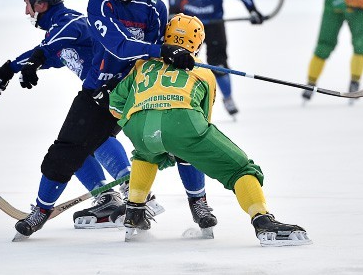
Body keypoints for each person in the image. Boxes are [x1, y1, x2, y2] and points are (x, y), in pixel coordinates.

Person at [12, 0, 216, 239]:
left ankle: (198, 203)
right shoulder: (99, 3)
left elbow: (152, 57)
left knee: (183, 135)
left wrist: (176, 54)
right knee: (66, 150)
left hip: (138, 91)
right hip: (98, 90)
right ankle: (41, 211)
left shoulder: (155, 7)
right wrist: (161, 48)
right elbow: (118, 46)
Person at [108, 13, 311, 246]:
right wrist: (177, 141)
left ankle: (135, 213)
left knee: (145, 154)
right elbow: (202, 118)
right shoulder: (204, 72)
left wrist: (149, 127)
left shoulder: (142, 65)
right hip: (183, 123)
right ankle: (263, 221)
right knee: (241, 168)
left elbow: (115, 105)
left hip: (139, 126)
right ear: (199, 44)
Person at [0, 0, 156, 229]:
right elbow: (54, 54)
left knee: (82, 142)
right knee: (80, 148)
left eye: (27, 3)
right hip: (109, 93)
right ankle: (107, 198)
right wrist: (19, 68)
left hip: (115, 91)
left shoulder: (70, 22)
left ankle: (133, 189)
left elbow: (48, 49)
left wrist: (17, 66)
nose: (26, 11)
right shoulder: (59, 30)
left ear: (41, 3)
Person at [166, 0, 264, 116]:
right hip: (187, 26)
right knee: (182, 61)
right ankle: (177, 101)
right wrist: (173, 10)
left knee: (218, 64)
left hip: (214, 24)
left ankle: (228, 98)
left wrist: (252, 9)